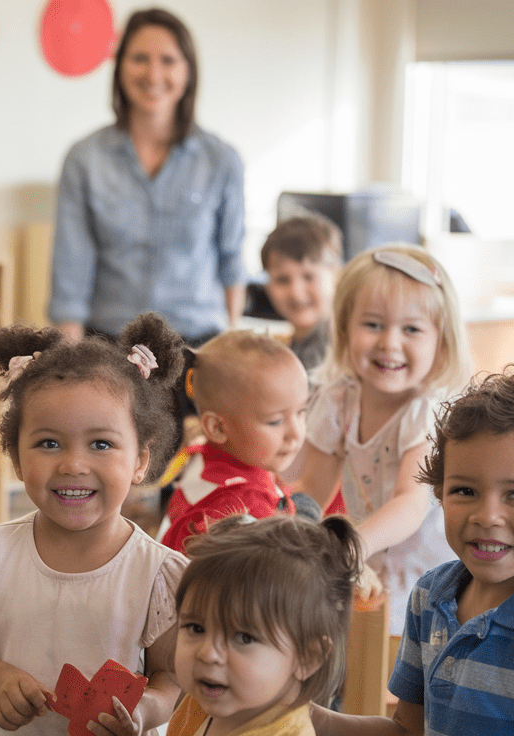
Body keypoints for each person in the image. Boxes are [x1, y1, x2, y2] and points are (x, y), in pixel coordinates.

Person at [310, 368, 514, 735]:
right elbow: (408, 730)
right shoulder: (429, 597)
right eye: (465, 491)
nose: (486, 516)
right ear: (438, 493)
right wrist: (314, 719)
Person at [0, 313, 188, 736]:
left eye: (101, 444)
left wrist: (144, 712)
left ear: (141, 460)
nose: (74, 464)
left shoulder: (156, 572)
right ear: (17, 459)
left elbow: (172, 677)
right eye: (49, 443)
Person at [298, 243, 472, 636]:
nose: (390, 343)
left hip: (421, 571)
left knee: (394, 665)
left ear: (440, 342)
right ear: (344, 328)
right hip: (369, 556)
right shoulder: (338, 400)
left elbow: (409, 502)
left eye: (411, 329)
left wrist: (354, 543)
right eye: (373, 324)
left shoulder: (425, 412)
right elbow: (312, 488)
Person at [49, 7, 245, 347]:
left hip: (198, 346)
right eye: (140, 58)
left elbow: (232, 261)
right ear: (119, 66)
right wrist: (70, 366)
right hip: (109, 346)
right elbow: (70, 272)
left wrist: (232, 345)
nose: (153, 74)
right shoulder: (84, 159)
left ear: (188, 72)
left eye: (168, 60)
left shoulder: (222, 160)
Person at [169, 513, 363, 736]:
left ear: (308, 657)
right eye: (196, 628)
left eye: (244, 638)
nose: (208, 654)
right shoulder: (202, 702)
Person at [158, 331, 316, 552]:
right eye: (275, 421)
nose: (296, 433)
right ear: (217, 427)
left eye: (301, 412)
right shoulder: (246, 508)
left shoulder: (199, 456)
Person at [259, 212, 343, 375]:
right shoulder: (294, 344)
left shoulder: (333, 352)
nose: (296, 293)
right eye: (282, 280)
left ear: (336, 275)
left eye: (309, 277)